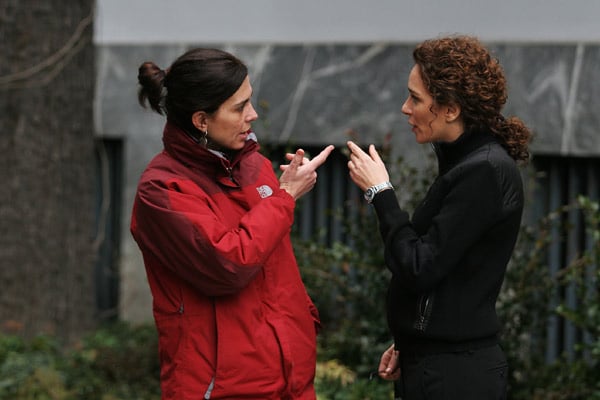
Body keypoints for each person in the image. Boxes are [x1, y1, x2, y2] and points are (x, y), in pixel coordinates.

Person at [131, 47, 334, 400]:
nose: (252, 115)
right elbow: (228, 263)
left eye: (250, 101)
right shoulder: (162, 189)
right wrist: (283, 198)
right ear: (201, 121)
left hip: (292, 379)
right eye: (239, 108)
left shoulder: (255, 167)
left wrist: (280, 191)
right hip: (220, 388)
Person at [346, 35, 531, 399]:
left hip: (455, 376)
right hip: (439, 365)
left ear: (450, 109)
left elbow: (418, 265)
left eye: (416, 98)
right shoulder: (468, 164)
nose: (404, 108)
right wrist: (413, 343)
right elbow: (447, 269)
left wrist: (380, 193)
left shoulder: (484, 172)